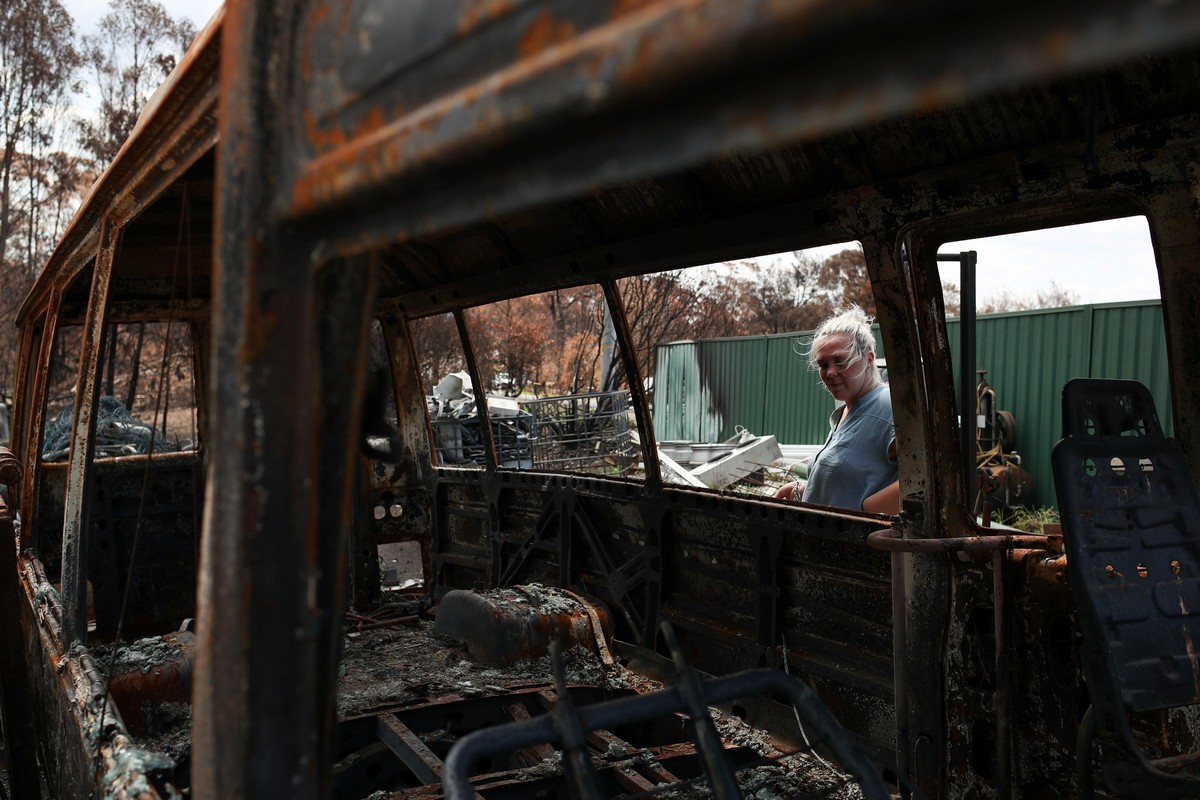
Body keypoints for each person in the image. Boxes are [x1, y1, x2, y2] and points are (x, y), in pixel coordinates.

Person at [775, 306, 899, 514]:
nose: (830, 372)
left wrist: (863, 512)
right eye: (823, 364)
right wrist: (802, 491)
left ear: (868, 359)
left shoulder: (889, 406)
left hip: (856, 543)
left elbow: (928, 480)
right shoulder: (845, 412)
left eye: (840, 361)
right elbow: (855, 481)